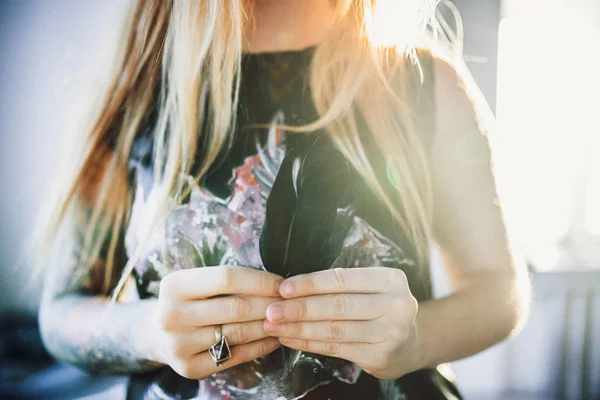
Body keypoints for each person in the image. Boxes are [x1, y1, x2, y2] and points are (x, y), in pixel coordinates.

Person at [36, 0, 532, 399]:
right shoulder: (136, 94)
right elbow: (60, 311)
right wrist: (146, 331)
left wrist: (419, 338)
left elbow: (501, 292)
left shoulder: (426, 84)